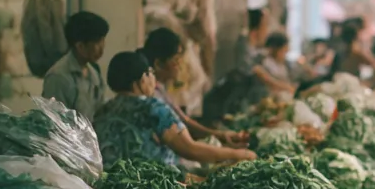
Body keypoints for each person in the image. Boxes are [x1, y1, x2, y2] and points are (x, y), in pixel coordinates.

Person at [94, 51, 255, 171]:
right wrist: (238, 155)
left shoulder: (102, 111)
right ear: (143, 79)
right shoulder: (153, 108)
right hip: (153, 188)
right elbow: (190, 149)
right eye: (151, 73)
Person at [142, 27, 249, 147]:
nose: (180, 66)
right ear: (158, 63)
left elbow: (184, 120)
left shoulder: (160, 89)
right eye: (176, 59)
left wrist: (221, 135)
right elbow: (188, 147)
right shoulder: (153, 97)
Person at [41, 11, 109, 121]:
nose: (102, 48)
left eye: (103, 40)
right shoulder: (58, 77)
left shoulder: (94, 73)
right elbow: (54, 123)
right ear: (80, 46)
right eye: (97, 42)